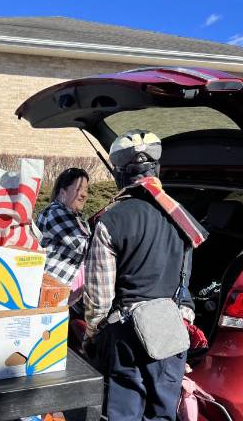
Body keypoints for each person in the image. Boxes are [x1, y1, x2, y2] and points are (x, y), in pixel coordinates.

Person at [83, 130, 208, 421]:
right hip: (171, 333)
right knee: (163, 415)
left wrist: (91, 335)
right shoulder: (182, 218)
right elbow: (184, 280)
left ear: (120, 174)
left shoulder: (111, 220)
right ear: (157, 169)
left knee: (122, 414)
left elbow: (99, 299)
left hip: (127, 337)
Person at [36, 167, 90, 302]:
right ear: (62, 192)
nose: (84, 194)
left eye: (86, 189)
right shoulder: (55, 212)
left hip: (58, 293)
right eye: (78, 189)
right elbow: (85, 246)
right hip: (47, 292)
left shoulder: (76, 217)